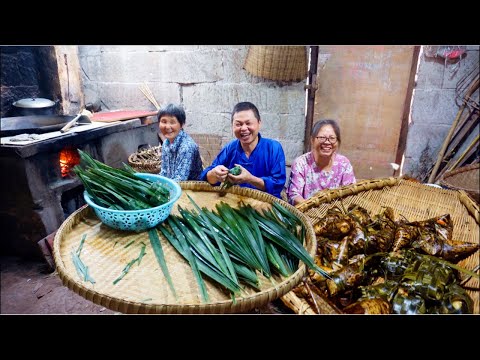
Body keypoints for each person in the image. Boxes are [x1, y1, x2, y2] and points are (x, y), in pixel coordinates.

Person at [200, 101, 286, 198]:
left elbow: (277, 184)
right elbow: (206, 178)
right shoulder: (230, 148)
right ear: (232, 126)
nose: (244, 128)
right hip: (235, 204)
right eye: (238, 124)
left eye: (248, 123)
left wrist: (250, 179)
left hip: (266, 206)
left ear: (259, 123)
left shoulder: (273, 148)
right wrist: (214, 174)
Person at [286, 119, 356, 205]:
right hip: (306, 213)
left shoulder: (344, 163)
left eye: (332, 138)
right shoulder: (301, 163)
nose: (327, 142)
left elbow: (351, 194)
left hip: (336, 214)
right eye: (322, 138)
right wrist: (313, 209)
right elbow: (294, 195)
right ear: (312, 140)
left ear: (337, 142)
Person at [158, 103, 203, 181]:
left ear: (181, 124)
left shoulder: (187, 147)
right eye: (164, 122)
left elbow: (180, 179)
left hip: (190, 189)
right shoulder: (166, 143)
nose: (167, 127)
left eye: (172, 122)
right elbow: (164, 172)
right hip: (172, 185)